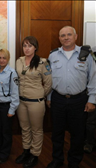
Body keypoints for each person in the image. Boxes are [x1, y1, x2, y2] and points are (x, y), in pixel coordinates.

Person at [46, 26, 96, 168]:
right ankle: (57, 160)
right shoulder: (53, 55)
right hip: (58, 99)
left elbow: (93, 78)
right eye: (63, 35)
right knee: (57, 132)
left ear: (76, 36)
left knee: (78, 134)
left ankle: (74, 162)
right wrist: (49, 97)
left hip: (79, 100)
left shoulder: (86, 54)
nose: (66, 37)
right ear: (59, 38)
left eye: (69, 34)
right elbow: (50, 80)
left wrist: (92, 100)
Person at [15, 36, 52, 168]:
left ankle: (34, 154)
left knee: (36, 129)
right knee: (24, 128)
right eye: (25, 45)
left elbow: (48, 83)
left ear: (35, 47)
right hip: (21, 101)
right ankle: (26, 151)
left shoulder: (43, 63)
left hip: (36, 102)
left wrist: (41, 95)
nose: (27, 48)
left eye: (30, 46)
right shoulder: (19, 61)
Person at [0, 49, 19, 163]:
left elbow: (15, 93)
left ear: (8, 59)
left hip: (6, 106)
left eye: (4, 58)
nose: (1, 60)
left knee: (6, 132)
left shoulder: (12, 73)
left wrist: (12, 110)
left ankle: (4, 154)